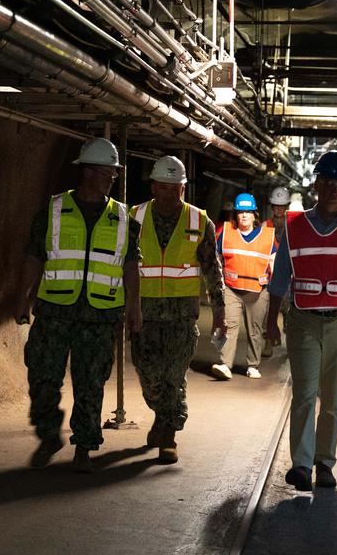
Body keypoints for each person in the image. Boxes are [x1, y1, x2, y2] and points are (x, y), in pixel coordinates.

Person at [15, 137, 142, 473]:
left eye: (114, 173)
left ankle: (84, 447)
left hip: (100, 315)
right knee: (43, 377)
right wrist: (22, 298)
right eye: (106, 172)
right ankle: (48, 433)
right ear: (87, 172)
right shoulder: (53, 211)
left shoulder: (124, 219)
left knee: (90, 383)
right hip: (54, 310)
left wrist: (134, 307)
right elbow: (33, 256)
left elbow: (131, 265)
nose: (112, 178)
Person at [265, 150, 337, 491]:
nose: (333, 188)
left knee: (332, 398)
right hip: (302, 320)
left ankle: (324, 463)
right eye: (328, 182)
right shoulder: (295, 226)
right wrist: (272, 320)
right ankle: (301, 465)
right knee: (304, 393)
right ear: (316, 184)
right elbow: (280, 278)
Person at [129, 156, 225, 464]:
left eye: (176, 187)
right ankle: (160, 414)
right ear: (154, 186)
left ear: (183, 188)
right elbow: (123, 264)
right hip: (144, 315)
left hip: (182, 317)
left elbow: (212, 267)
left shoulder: (199, 221)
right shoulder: (134, 218)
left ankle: (169, 434)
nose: (169, 193)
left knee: (173, 376)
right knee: (149, 377)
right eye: (163, 186)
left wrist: (219, 308)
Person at [212, 193, 277, 380]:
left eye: (248, 212)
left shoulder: (267, 236)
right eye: (241, 212)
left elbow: (273, 263)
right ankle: (226, 364)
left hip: (258, 291)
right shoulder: (225, 233)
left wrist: (277, 292)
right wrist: (215, 286)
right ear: (235, 214)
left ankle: (253, 365)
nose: (244, 216)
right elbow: (215, 259)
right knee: (229, 326)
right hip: (232, 289)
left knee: (255, 330)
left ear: (254, 215)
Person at [261, 186, 290, 358]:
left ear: (286, 207)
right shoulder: (265, 226)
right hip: (270, 277)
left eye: (282, 206)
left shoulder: (293, 226)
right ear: (272, 207)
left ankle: (291, 342)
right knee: (267, 313)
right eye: (276, 206)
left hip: (288, 278)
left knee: (289, 314)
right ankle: (268, 343)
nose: (279, 209)